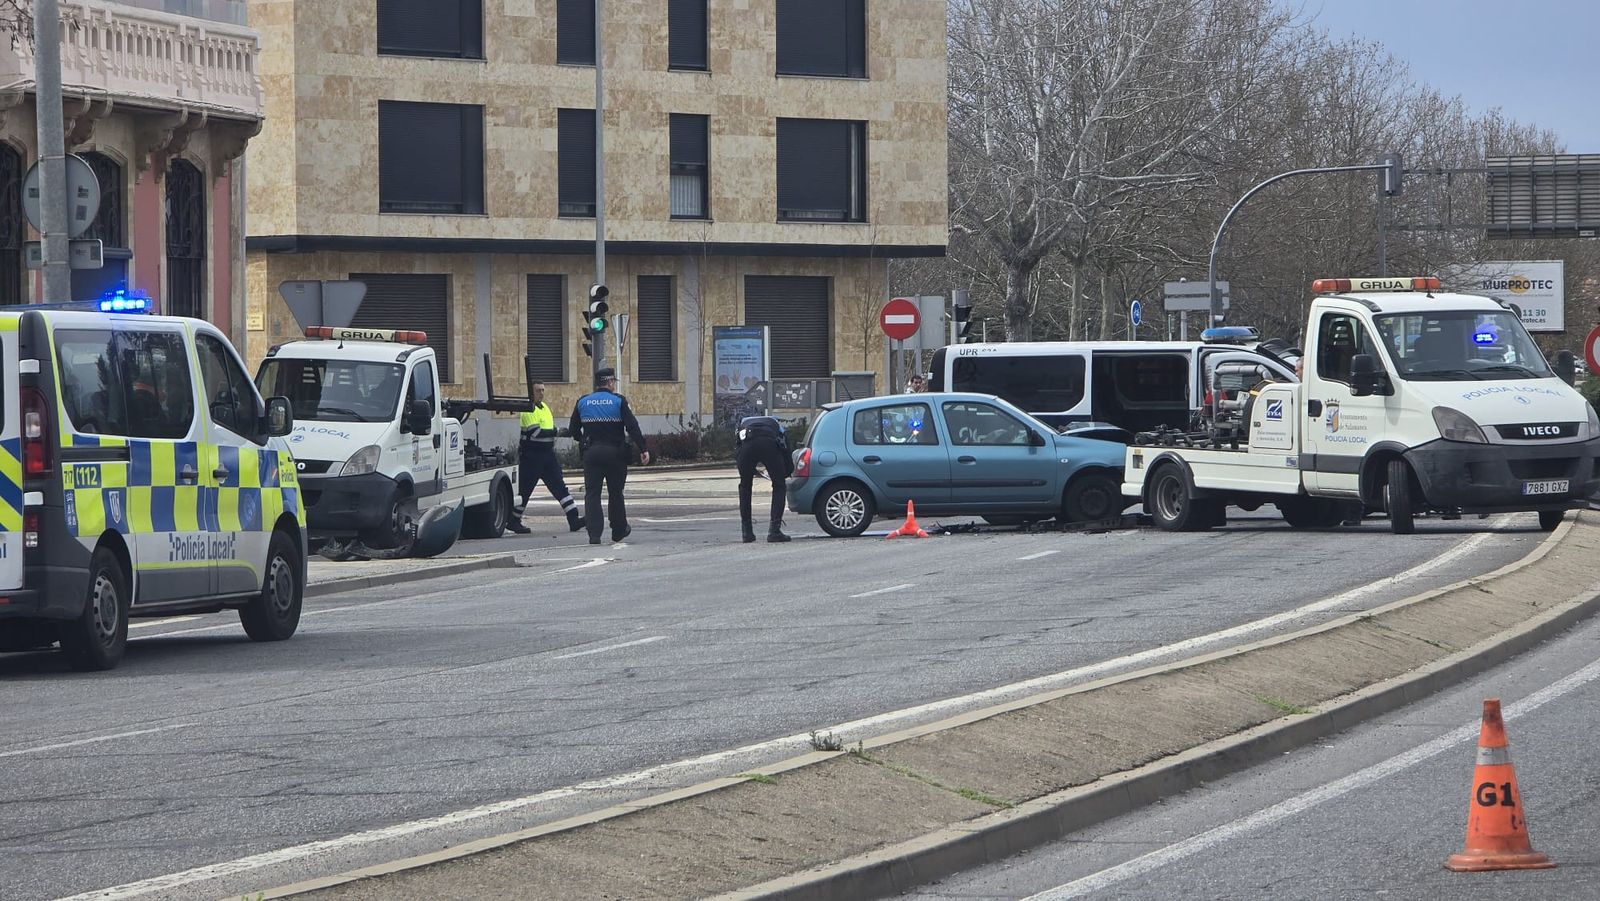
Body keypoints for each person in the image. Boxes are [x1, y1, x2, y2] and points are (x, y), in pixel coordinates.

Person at [569, 368, 650, 545]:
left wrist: (582, 439)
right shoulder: (618, 401)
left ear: (597, 383)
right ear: (611, 382)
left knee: (592, 494)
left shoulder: (583, 402)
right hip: (615, 454)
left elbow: (573, 429)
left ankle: (594, 534)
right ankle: (618, 530)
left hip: (592, 454)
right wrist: (643, 448)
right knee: (615, 493)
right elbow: (632, 427)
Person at [510, 381, 584, 535]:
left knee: (560, 486)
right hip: (531, 456)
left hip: (547, 455)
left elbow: (547, 431)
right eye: (538, 390)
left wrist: (559, 432)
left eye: (543, 390)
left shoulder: (545, 409)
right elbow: (535, 433)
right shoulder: (528, 409)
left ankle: (573, 519)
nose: (541, 393)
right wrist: (558, 432)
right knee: (525, 489)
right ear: (531, 392)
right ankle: (513, 520)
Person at [735, 415, 794, 543]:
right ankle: (774, 530)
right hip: (769, 445)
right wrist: (786, 472)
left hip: (747, 446)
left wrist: (748, 471)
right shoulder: (777, 426)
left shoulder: (742, 426)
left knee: (745, 486)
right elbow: (786, 448)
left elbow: (738, 451)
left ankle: (747, 532)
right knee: (779, 486)